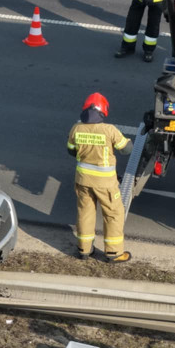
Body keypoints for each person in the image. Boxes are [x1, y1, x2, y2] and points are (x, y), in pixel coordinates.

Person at [67, 93, 132, 262]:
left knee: (85, 212)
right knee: (113, 214)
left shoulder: (76, 128)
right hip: (105, 184)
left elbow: (71, 151)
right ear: (103, 111)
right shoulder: (109, 130)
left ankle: (84, 250)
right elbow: (127, 149)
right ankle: (114, 253)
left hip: (82, 181)